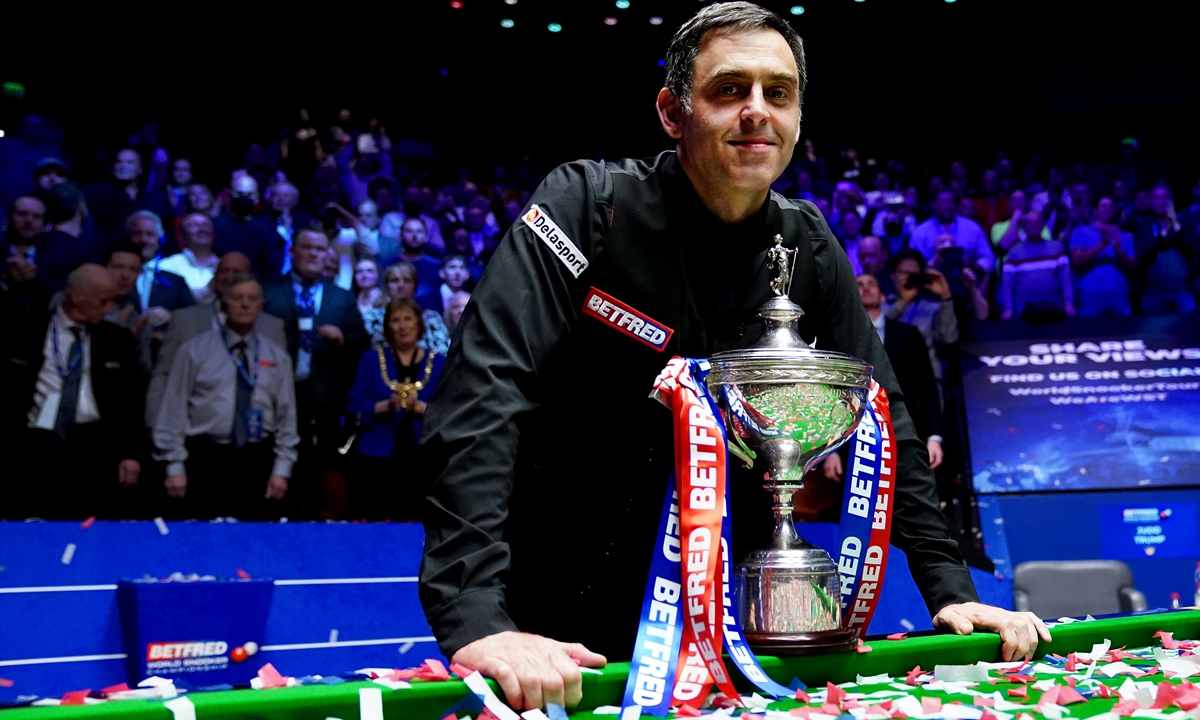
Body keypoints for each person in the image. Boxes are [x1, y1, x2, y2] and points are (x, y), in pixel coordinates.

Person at [418, 4, 1047, 712]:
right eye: (729, 90)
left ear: (799, 118)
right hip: (555, 634)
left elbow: (883, 418)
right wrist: (479, 618)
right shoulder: (587, 208)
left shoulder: (809, 245)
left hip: (733, 640)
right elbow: (484, 392)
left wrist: (951, 587)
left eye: (778, 93)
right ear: (672, 111)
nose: (756, 111)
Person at [2, 264, 143, 519]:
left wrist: (130, 454)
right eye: (103, 301)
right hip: (34, 446)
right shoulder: (24, 331)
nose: (110, 309)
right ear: (77, 296)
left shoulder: (117, 339)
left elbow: (130, 403)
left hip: (93, 447)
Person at [153, 274, 298, 520]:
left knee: (253, 543)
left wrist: (281, 470)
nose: (244, 304)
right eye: (237, 298)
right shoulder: (194, 350)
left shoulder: (277, 356)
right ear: (223, 303)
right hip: (206, 458)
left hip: (257, 459)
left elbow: (287, 417)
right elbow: (173, 407)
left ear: (261, 306)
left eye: (252, 299)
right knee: (204, 543)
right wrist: (174, 464)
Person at [262, 228, 367, 517]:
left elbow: (362, 344)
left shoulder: (342, 297)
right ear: (292, 252)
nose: (313, 254)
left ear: (327, 255)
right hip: (276, 391)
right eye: (306, 247)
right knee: (279, 460)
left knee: (324, 467)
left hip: (326, 396)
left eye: (319, 249)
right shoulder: (268, 291)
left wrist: (342, 340)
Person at [822, 273, 943, 498]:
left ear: (883, 294)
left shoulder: (908, 333)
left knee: (911, 501)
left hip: (905, 433)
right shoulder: (838, 340)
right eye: (859, 285)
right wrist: (830, 451)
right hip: (854, 440)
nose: (866, 288)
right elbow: (830, 395)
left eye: (871, 284)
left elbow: (928, 387)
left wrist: (934, 437)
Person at [146, 252, 287, 426]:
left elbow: (282, 388)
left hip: (258, 430)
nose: (229, 277)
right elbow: (163, 374)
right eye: (223, 271)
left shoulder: (272, 326)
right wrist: (154, 422)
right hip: (195, 429)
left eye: (237, 272)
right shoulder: (184, 320)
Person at [345, 298, 445, 521]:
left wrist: (421, 408)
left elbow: (449, 410)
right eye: (395, 320)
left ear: (418, 324)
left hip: (423, 456)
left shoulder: (439, 362)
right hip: (376, 459)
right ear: (387, 326)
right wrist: (383, 407)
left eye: (408, 319)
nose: (402, 326)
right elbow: (354, 406)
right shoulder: (370, 360)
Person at [885, 249, 958, 393]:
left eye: (913, 274)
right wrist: (902, 303)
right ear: (893, 276)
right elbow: (875, 332)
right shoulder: (880, 307)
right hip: (889, 383)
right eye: (903, 273)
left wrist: (945, 297)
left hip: (926, 384)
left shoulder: (933, 308)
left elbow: (949, 338)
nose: (908, 278)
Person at [83, 148, 172, 248]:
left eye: (130, 162)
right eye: (118, 162)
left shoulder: (154, 198)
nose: (123, 166)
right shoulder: (95, 193)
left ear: (140, 169)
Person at [999, 210, 1075, 323]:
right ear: (1023, 226)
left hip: (1054, 308)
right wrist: (1008, 309)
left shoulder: (1056, 247)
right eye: (1030, 222)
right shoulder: (1014, 252)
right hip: (1024, 310)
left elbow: (1066, 279)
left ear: (1043, 224)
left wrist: (1069, 305)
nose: (1034, 225)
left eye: (1037, 221)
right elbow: (1007, 284)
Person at [1069, 197, 1136, 317]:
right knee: (1088, 335)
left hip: (1119, 294)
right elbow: (1077, 260)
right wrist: (1102, 244)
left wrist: (1118, 249)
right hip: (1089, 294)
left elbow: (1132, 269)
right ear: (1095, 211)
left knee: (1125, 334)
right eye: (1103, 206)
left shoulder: (1125, 236)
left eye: (1111, 206)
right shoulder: (1081, 232)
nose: (1108, 209)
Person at [909, 187, 995, 275]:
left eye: (952, 202)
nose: (949, 206)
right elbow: (911, 264)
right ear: (933, 204)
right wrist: (932, 263)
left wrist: (973, 264)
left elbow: (989, 259)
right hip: (930, 283)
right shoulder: (919, 232)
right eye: (945, 202)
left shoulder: (972, 227)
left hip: (966, 282)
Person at [213, 175, 284, 278]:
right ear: (229, 195)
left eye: (249, 194)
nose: (244, 198)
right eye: (239, 193)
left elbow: (270, 269)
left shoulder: (265, 231)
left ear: (256, 198)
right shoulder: (214, 225)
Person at [383, 262, 451, 354]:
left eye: (407, 280)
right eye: (395, 280)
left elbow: (444, 352)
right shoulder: (372, 317)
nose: (401, 285)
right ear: (386, 286)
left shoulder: (431, 317)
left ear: (415, 286)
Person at [160, 213, 220, 303]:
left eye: (206, 225)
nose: (202, 229)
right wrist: (210, 287)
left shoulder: (224, 267)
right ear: (181, 236)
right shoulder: (167, 266)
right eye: (194, 225)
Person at [353, 257, 387, 345]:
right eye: (359, 272)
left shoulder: (387, 302)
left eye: (370, 271)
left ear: (378, 274)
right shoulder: (350, 300)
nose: (364, 275)